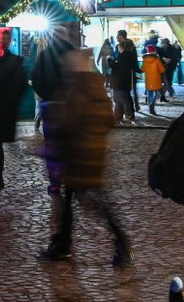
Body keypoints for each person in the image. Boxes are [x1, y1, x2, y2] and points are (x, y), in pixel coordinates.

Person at [38, 49, 134, 267]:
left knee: (95, 204)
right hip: (90, 155)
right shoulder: (95, 87)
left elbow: (69, 123)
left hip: (80, 157)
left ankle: (121, 245)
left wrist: (53, 136)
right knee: (72, 202)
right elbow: (107, 121)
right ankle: (63, 244)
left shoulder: (78, 90)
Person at [32, 26, 75, 192]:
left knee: (52, 144)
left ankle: (55, 180)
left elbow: (36, 79)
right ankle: (71, 178)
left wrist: (47, 95)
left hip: (50, 105)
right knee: (71, 141)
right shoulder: (74, 53)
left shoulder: (45, 54)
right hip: (71, 106)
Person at [0, 29, 27, 190]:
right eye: (2, 39)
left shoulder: (9, 62)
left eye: (5, 39)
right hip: (0, 109)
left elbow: (19, 86)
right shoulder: (2, 61)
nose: (3, 42)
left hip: (1, 110)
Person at [109, 39, 140, 123]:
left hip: (119, 82)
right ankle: (118, 117)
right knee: (121, 99)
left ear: (122, 47)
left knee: (121, 100)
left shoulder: (122, 56)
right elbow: (135, 68)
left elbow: (116, 67)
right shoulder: (130, 56)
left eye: (119, 47)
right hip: (125, 82)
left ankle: (125, 116)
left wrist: (110, 61)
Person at [117, 30, 140, 111]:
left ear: (121, 36)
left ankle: (130, 109)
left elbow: (133, 59)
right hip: (128, 71)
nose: (117, 37)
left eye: (118, 35)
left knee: (128, 91)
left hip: (128, 72)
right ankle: (133, 107)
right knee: (130, 91)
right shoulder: (128, 45)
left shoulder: (127, 46)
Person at [142, 44, 165, 115]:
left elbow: (142, 69)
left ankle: (150, 105)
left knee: (149, 94)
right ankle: (152, 105)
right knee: (156, 94)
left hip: (148, 80)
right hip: (156, 80)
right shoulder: (157, 60)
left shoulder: (145, 60)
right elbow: (162, 70)